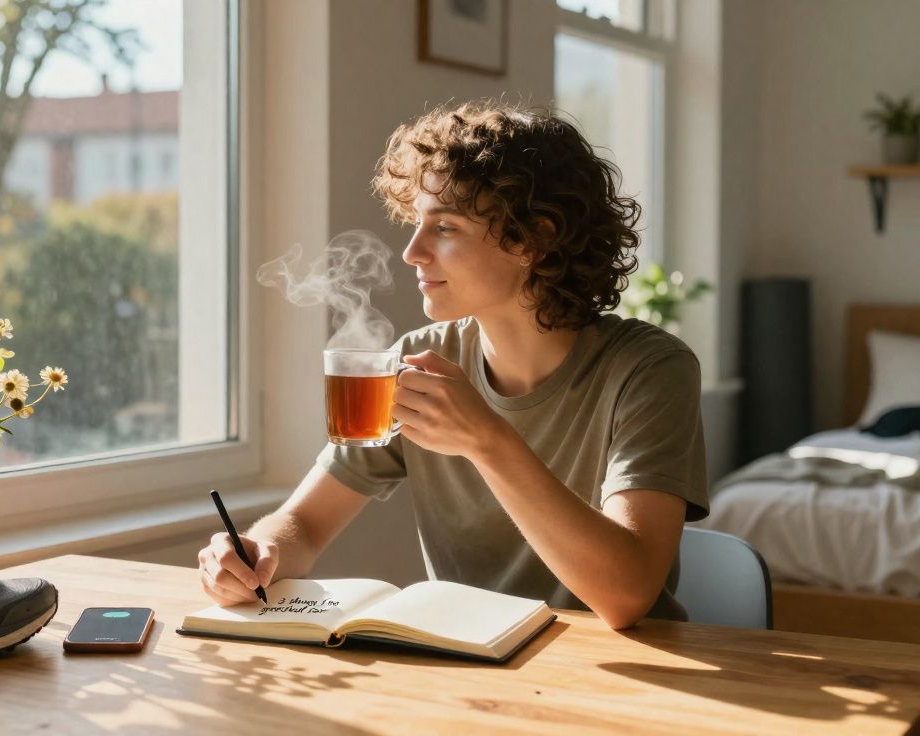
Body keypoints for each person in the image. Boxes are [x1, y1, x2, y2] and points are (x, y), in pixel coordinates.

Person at [197, 100, 707, 629]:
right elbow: (303, 524)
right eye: (417, 223)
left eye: (445, 228)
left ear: (535, 238)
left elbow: (627, 596)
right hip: (473, 664)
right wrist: (256, 552)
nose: (412, 252)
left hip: (630, 675)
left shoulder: (650, 370)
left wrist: (488, 440)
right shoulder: (422, 361)